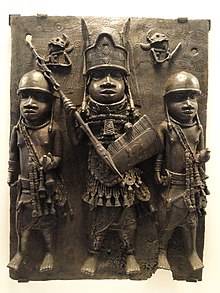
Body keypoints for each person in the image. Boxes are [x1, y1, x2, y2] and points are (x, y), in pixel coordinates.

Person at [66, 30, 154, 276]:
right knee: (97, 216)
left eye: (115, 75)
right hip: (98, 174)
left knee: (128, 216)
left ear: (125, 83)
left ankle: (131, 254)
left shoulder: (131, 115)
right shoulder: (86, 116)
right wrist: (69, 118)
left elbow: (145, 144)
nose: (107, 81)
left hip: (126, 175)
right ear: (88, 85)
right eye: (98, 76)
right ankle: (92, 254)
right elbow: (74, 142)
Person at [7, 70, 71, 273]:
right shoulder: (18, 129)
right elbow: (13, 155)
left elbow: (59, 158)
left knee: (47, 221)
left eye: (38, 98)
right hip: (25, 185)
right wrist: (11, 173)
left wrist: (51, 162)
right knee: (23, 222)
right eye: (24, 97)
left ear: (50, 104)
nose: (30, 103)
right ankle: (20, 252)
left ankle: (50, 252)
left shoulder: (53, 129)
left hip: (45, 186)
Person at [154, 71, 210, 271]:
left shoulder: (198, 128)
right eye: (179, 99)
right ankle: (161, 250)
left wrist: (202, 158)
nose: (188, 104)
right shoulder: (166, 128)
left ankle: (192, 251)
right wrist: (158, 172)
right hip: (173, 182)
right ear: (167, 103)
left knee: (192, 220)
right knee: (167, 217)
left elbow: (200, 153)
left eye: (192, 97)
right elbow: (159, 155)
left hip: (192, 182)